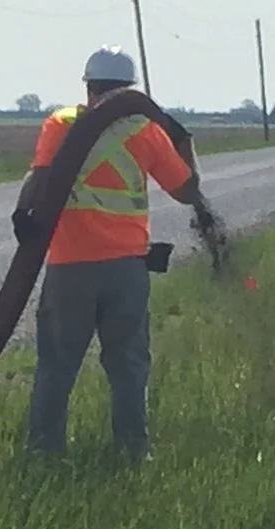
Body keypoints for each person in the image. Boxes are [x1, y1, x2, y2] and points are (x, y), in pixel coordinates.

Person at [12, 45, 203, 460]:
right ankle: (133, 452)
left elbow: (40, 178)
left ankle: (44, 454)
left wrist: (22, 212)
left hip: (70, 269)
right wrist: (185, 142)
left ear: (89, 87)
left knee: (56, 368)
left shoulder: (60, 124)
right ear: (129, 89)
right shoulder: (146, 132)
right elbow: (188, 191)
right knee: (129, 368)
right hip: (126, 271)